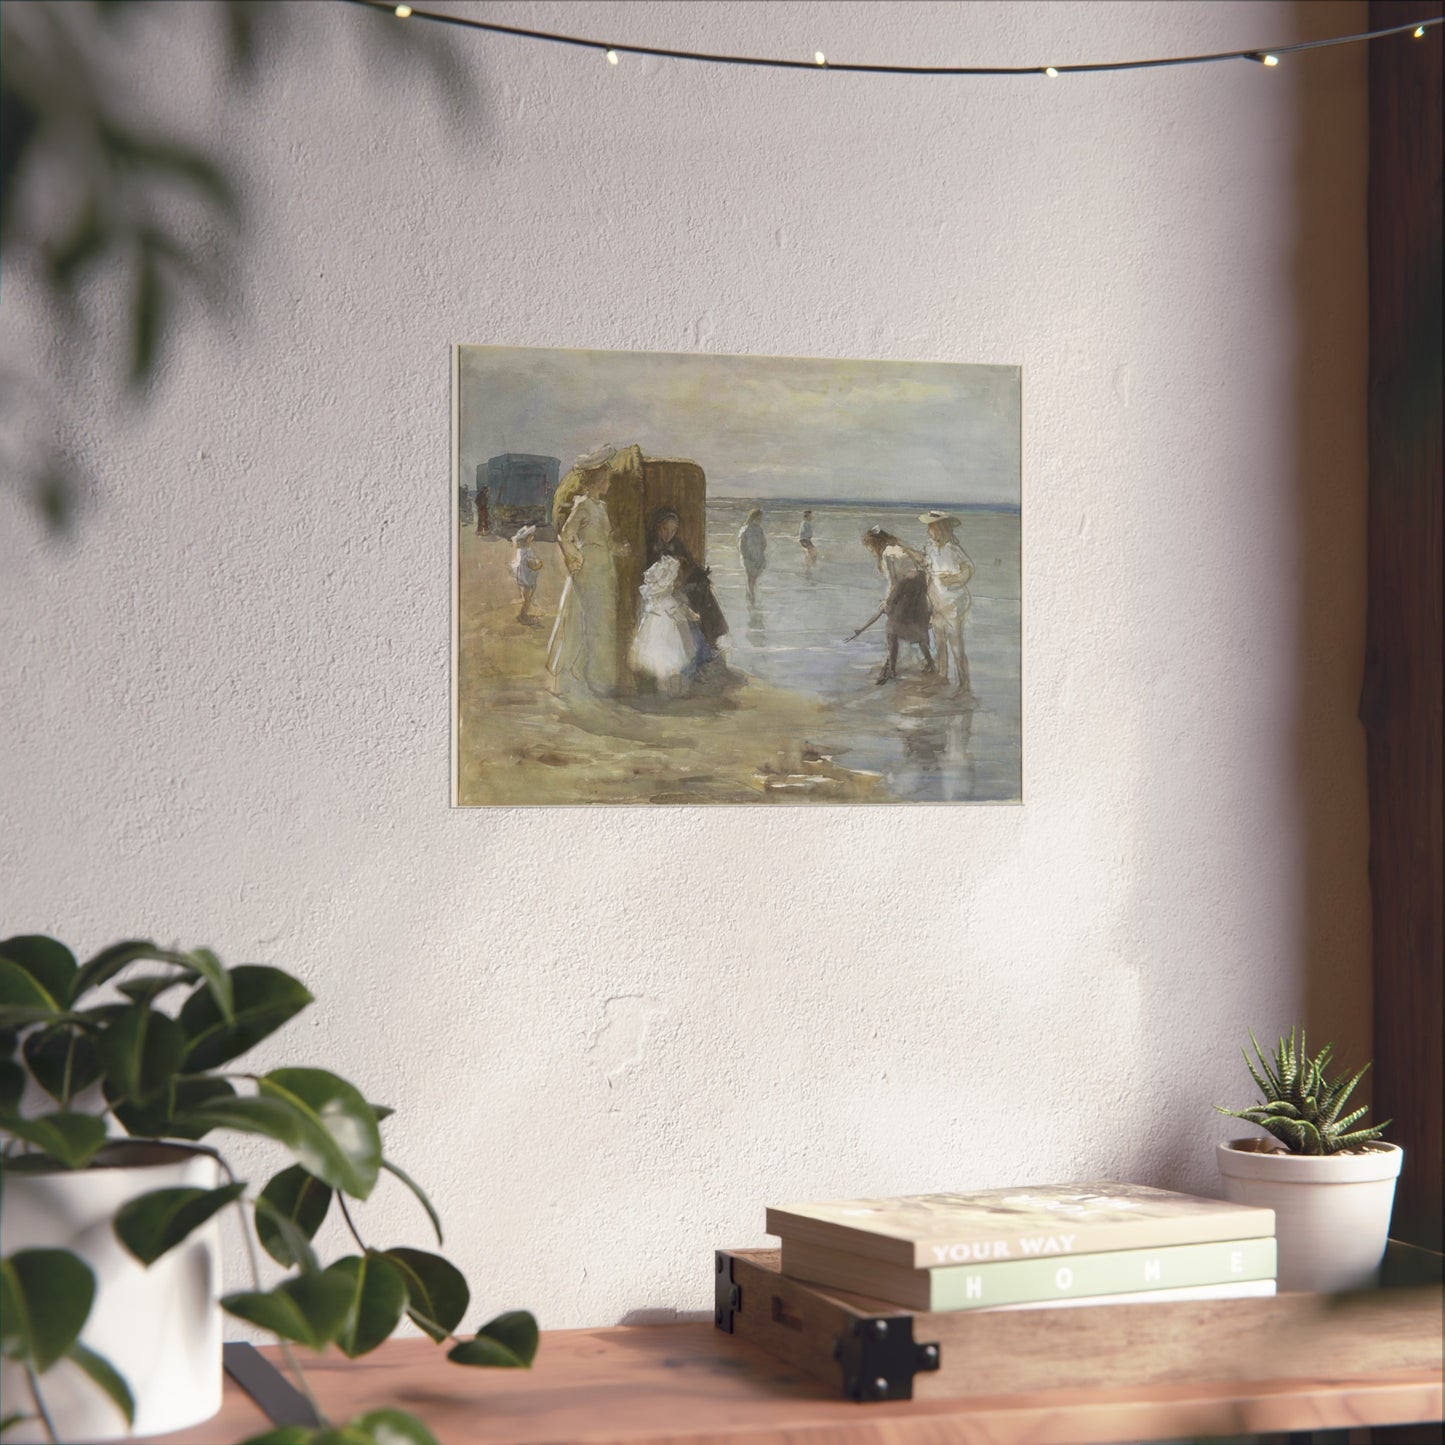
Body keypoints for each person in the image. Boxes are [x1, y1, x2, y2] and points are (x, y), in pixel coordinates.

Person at [546, 447, 629, 697]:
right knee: (586, 621)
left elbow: (605, 539)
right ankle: (579, 677)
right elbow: (565, 535)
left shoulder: (601, 507)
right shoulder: (582, 505)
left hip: (605, 567)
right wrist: (576, 557)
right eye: (606, 478)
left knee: (602, 622)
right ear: (595, 479)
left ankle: (597, 676)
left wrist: (618, 549)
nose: (609, 482)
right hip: (589, 569)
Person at [648, 508, 728, 667]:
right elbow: (654, 575)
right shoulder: (653, 546)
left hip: (678, 584)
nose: (668, 534)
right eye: (665, 529)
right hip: (664, 588)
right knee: (694, 597)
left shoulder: (675, 543)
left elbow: (690, 564)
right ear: (658, 527)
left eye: (673, 530)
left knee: (704, 591)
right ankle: (708, 641)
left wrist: (699, 574)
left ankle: (715, 634)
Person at [861, 526, 936, 685]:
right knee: (917, 626)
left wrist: (887, 602)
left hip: (905, 590)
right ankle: (930, 663)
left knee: (892, 629)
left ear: (875, 543)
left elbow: (895, 581)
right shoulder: (899, 548)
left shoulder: (887, 553)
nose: (871, 551)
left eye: (870, 547)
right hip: (918, 589)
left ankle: (892, 669)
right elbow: (923, 563)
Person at [919, 510, 974, 697]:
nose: (929, 531)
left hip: (953, 602)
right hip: (937, 600)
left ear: (941, 529)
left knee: (956, 642)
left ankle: (964, 683)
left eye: (932, 527)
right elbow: (927, 572)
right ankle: (942, 675)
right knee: (939, 639)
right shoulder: (930, 548)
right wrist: (926, 597)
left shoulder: (953, 549)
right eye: (929, 528)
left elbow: (968, 571)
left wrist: (953, 578)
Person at [629, 555, 698, 696]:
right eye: (673, 582)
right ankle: (672, 691)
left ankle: (664, 689)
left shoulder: (653, 601)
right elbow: (680, 610)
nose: (675, 585)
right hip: (666, 634)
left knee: (660, 661)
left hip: (655, 633)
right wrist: (692, 615)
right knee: (673, 662)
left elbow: (647, 616)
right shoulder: (667, 601)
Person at [510, 524, 544, 624]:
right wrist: (538, 565)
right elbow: (530, 564)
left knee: (527, 598)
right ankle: (523, 616)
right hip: (526, 578)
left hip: (525, 577)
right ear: (527, 539)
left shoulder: (521, 550)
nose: (532, 538)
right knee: (527, 599)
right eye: (531, 537)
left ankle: (524, 614)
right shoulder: (525, 552)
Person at [738, 508, 767, 604]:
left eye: (760, 518)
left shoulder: (759, 529)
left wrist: (761, 550)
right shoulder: (745, 529)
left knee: (754, 576)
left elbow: (764, 542)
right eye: (758, 518)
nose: (759, 520)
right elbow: (741, 544)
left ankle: (749, 592)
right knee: (750, 576)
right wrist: (744, 554)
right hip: (748, 556)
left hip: (758, 555)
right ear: (753, 517)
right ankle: (751, 595)